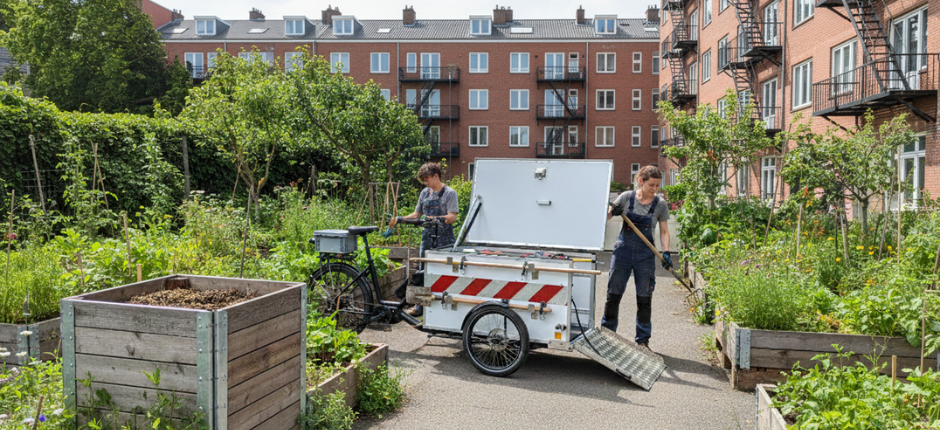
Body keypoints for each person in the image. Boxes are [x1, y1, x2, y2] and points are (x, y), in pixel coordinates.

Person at [602, 166, 671, 350]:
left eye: (657, 185)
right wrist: (611, 211)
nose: (654, 189)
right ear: (641, 181)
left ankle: (642, 341)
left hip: (645, 256)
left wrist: (666, 251)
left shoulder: (660, 204)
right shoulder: (626, 198)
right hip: (623, 252)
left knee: (644, 298)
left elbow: (664, 231)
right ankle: (608, 334)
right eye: (651, 184)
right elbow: (605, 216)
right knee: (613, 295)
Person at [394, 162, 459, 317]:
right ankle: (419, 307)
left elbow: (452, 217)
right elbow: (417, 215)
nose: (425, 183)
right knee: (423, 271)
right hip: (427, 239)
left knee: (445, 271)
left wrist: (433, 219)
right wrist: (400, 219)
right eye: (423, 180)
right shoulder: (424, 193)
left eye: (427, 179)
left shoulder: (450, 193)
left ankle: (446, 306)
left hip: (445, 240)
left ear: (436, 176)